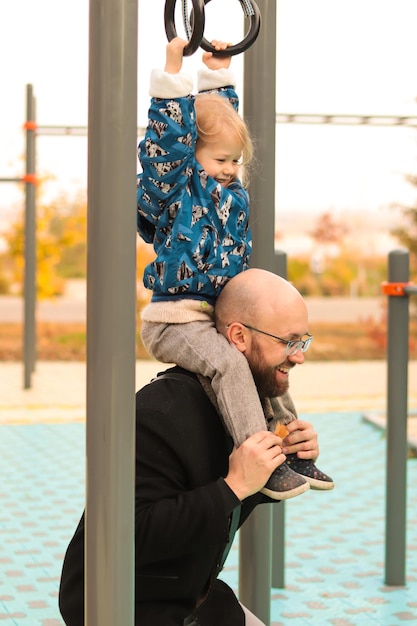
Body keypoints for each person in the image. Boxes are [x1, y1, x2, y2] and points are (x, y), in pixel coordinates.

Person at [58, 269, 331, 626]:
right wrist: (235, 485)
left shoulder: (241, 410)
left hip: (189, 596)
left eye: (302, 341)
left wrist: (279, 462)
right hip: (121, 606)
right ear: (238, 337)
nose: (298, 356)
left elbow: (220, 498)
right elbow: (127, 537)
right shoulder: (160, 413)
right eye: (288, 342)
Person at [136, 38, 333, 500]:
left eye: (234, 162)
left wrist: (217, 72)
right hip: (176, 321)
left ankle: (289, 446)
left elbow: (220, 120)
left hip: (217, 316)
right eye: (219, 161)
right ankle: (260, 455)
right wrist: (174, 75)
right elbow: (169, 142)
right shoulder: (178, 189)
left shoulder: (228, 187)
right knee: (230, 362)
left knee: (270, 360)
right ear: (192, 159)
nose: (228, 170)